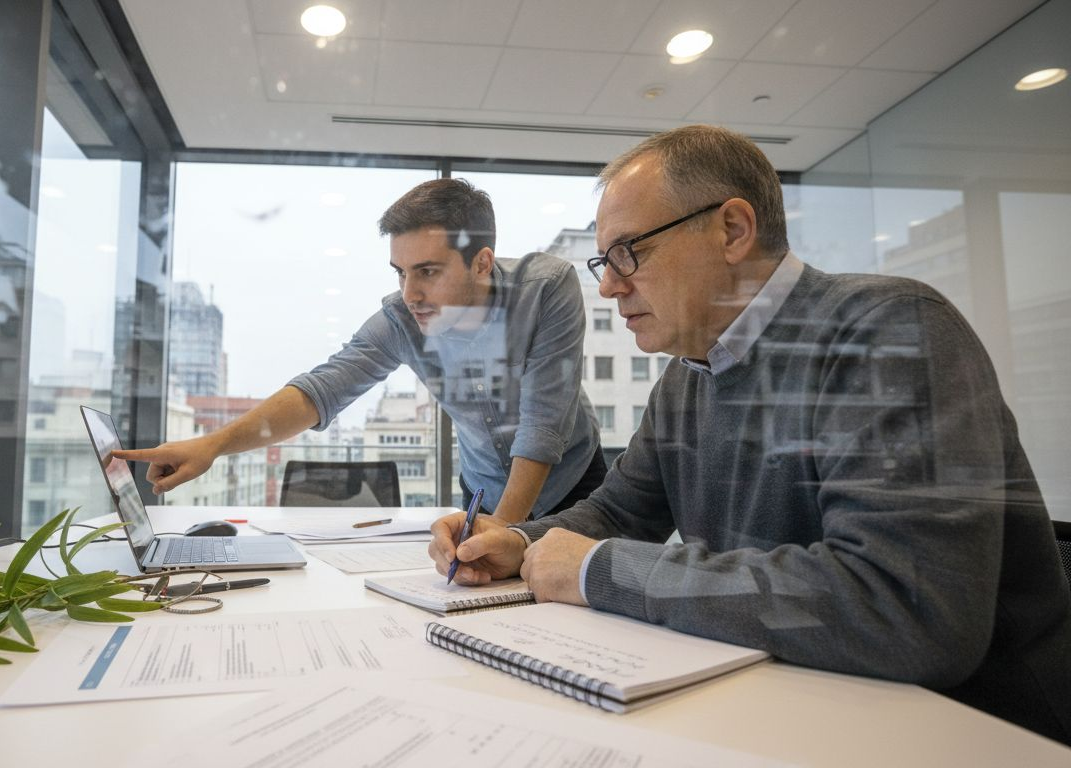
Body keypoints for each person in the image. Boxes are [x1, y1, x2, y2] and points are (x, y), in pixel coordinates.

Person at [430, 125, 1071, 743]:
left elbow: (905, 609)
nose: (608, 285)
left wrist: (600, 570)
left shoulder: (890, 330)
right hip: (794, 704)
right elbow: (621, 512)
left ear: (732, 229)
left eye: (630, 251)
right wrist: (516, 540)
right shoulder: (689, 376)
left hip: (973, 732)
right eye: (604, 260)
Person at [117, 178, 604, 523]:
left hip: (575, 489)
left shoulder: (546, 288)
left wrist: (502, 533)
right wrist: (212, 446)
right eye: (400, 271)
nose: (409, 292)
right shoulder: (401, 319)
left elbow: (541, 428)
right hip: (484, 494)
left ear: (481, 263)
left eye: (428, 271)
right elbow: (319, 391)